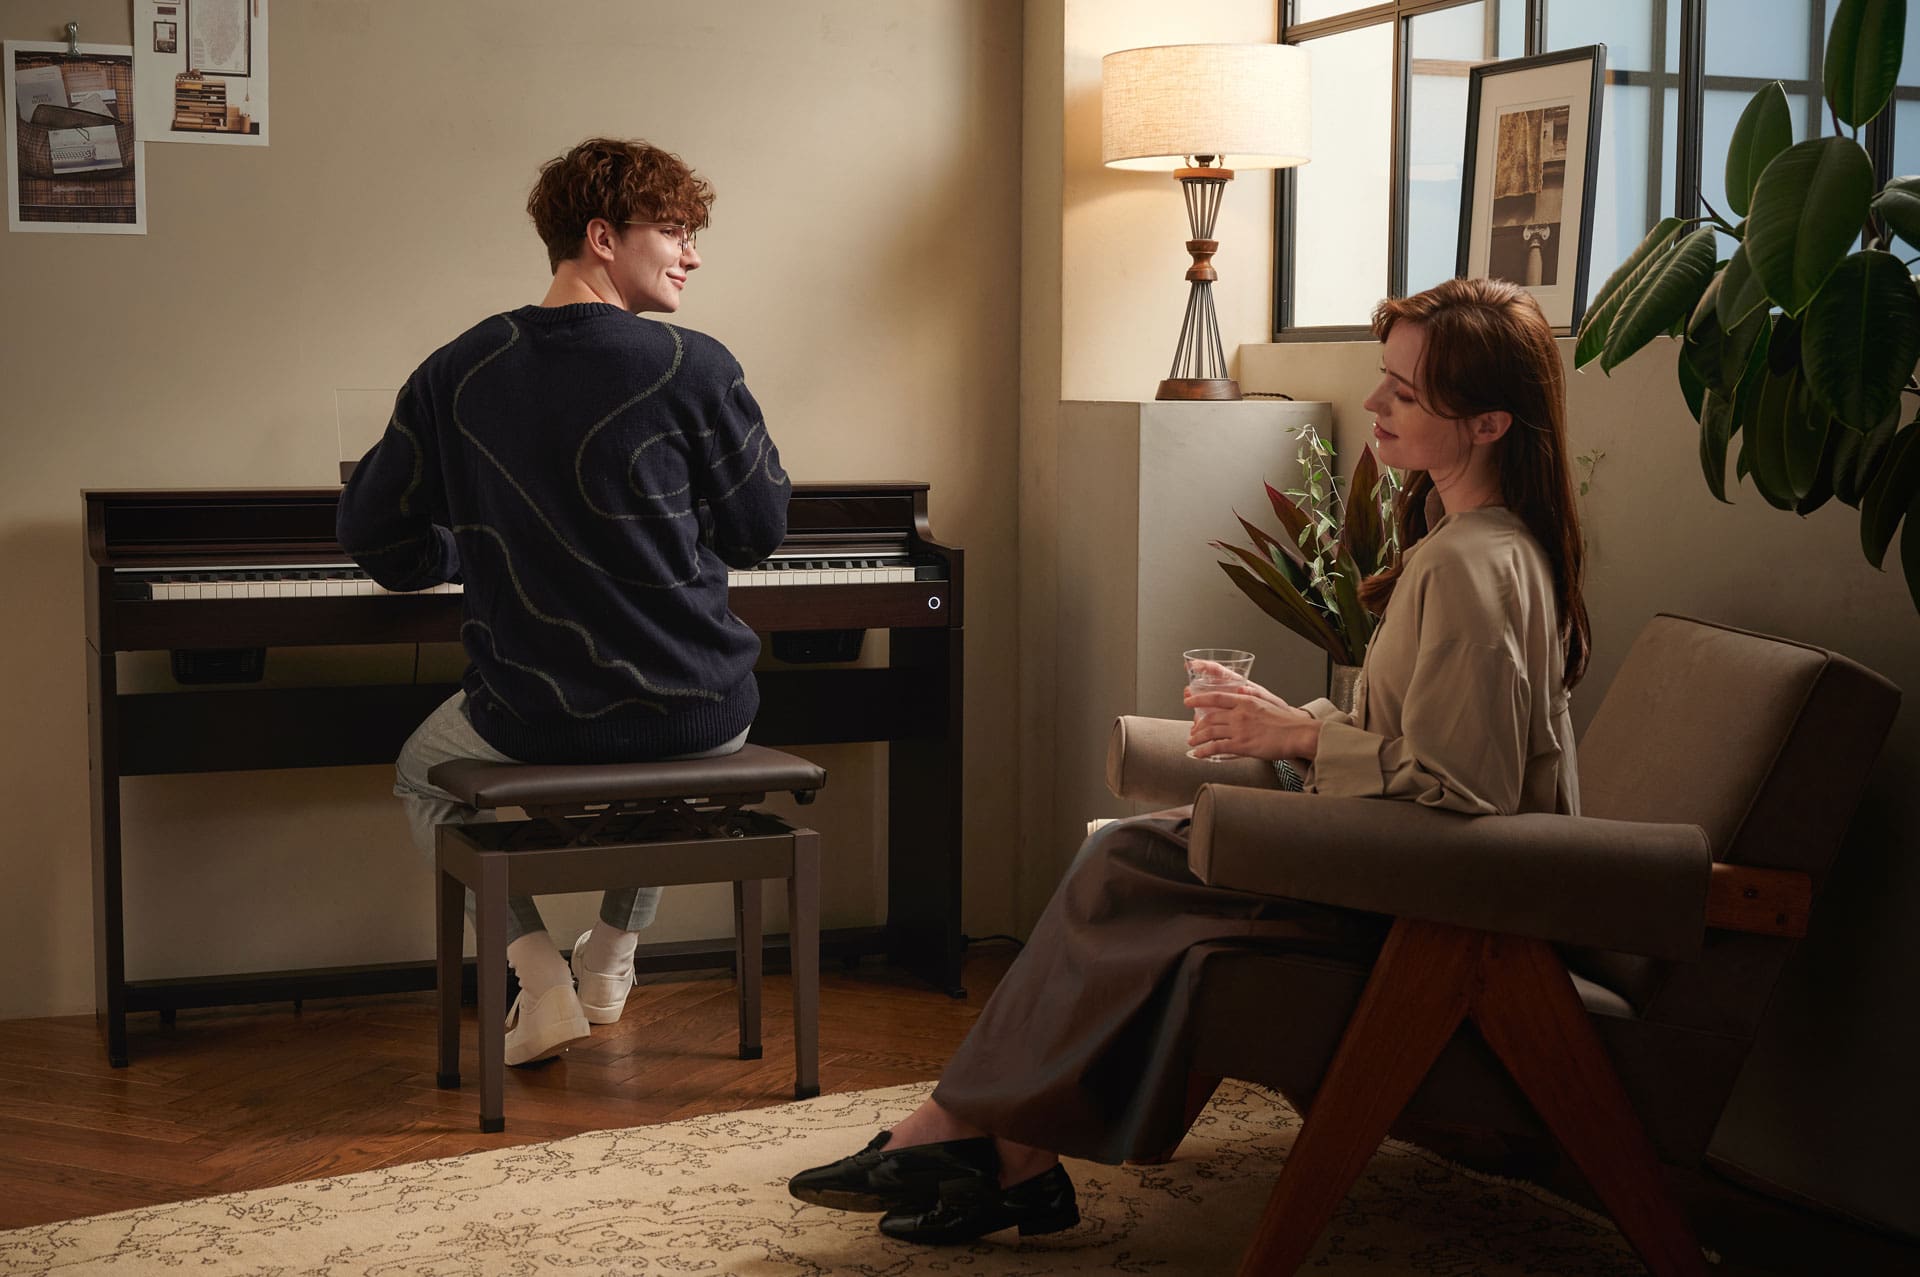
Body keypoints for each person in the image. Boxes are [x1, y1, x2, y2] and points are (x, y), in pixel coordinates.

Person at [788, 276, 1590, 1244]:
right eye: (1385, 379)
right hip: (1405, 866)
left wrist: (1297, 738)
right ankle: (1004, 1152)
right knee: (1129, 868)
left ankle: (965, 1134)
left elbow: (1471, 790)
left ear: (1492, 421)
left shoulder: (1472, 563)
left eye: (1407, 394)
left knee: (1126, 861)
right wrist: (1281, 717)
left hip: (1436, 904)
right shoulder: (1467, 542)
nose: (1376, 404)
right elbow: (1421, 738)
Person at [338, 137, 788, 1069]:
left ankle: (538, 975)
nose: (693, 254)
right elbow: (758, 532)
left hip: (536, 718)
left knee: (421, 765)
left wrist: (466, 549)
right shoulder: (697, 366)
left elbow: (374, 539)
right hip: (704, 712)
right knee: (671, 759)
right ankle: (615, 955)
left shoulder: (458, 369)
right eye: (673, 231)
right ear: (600, 237)